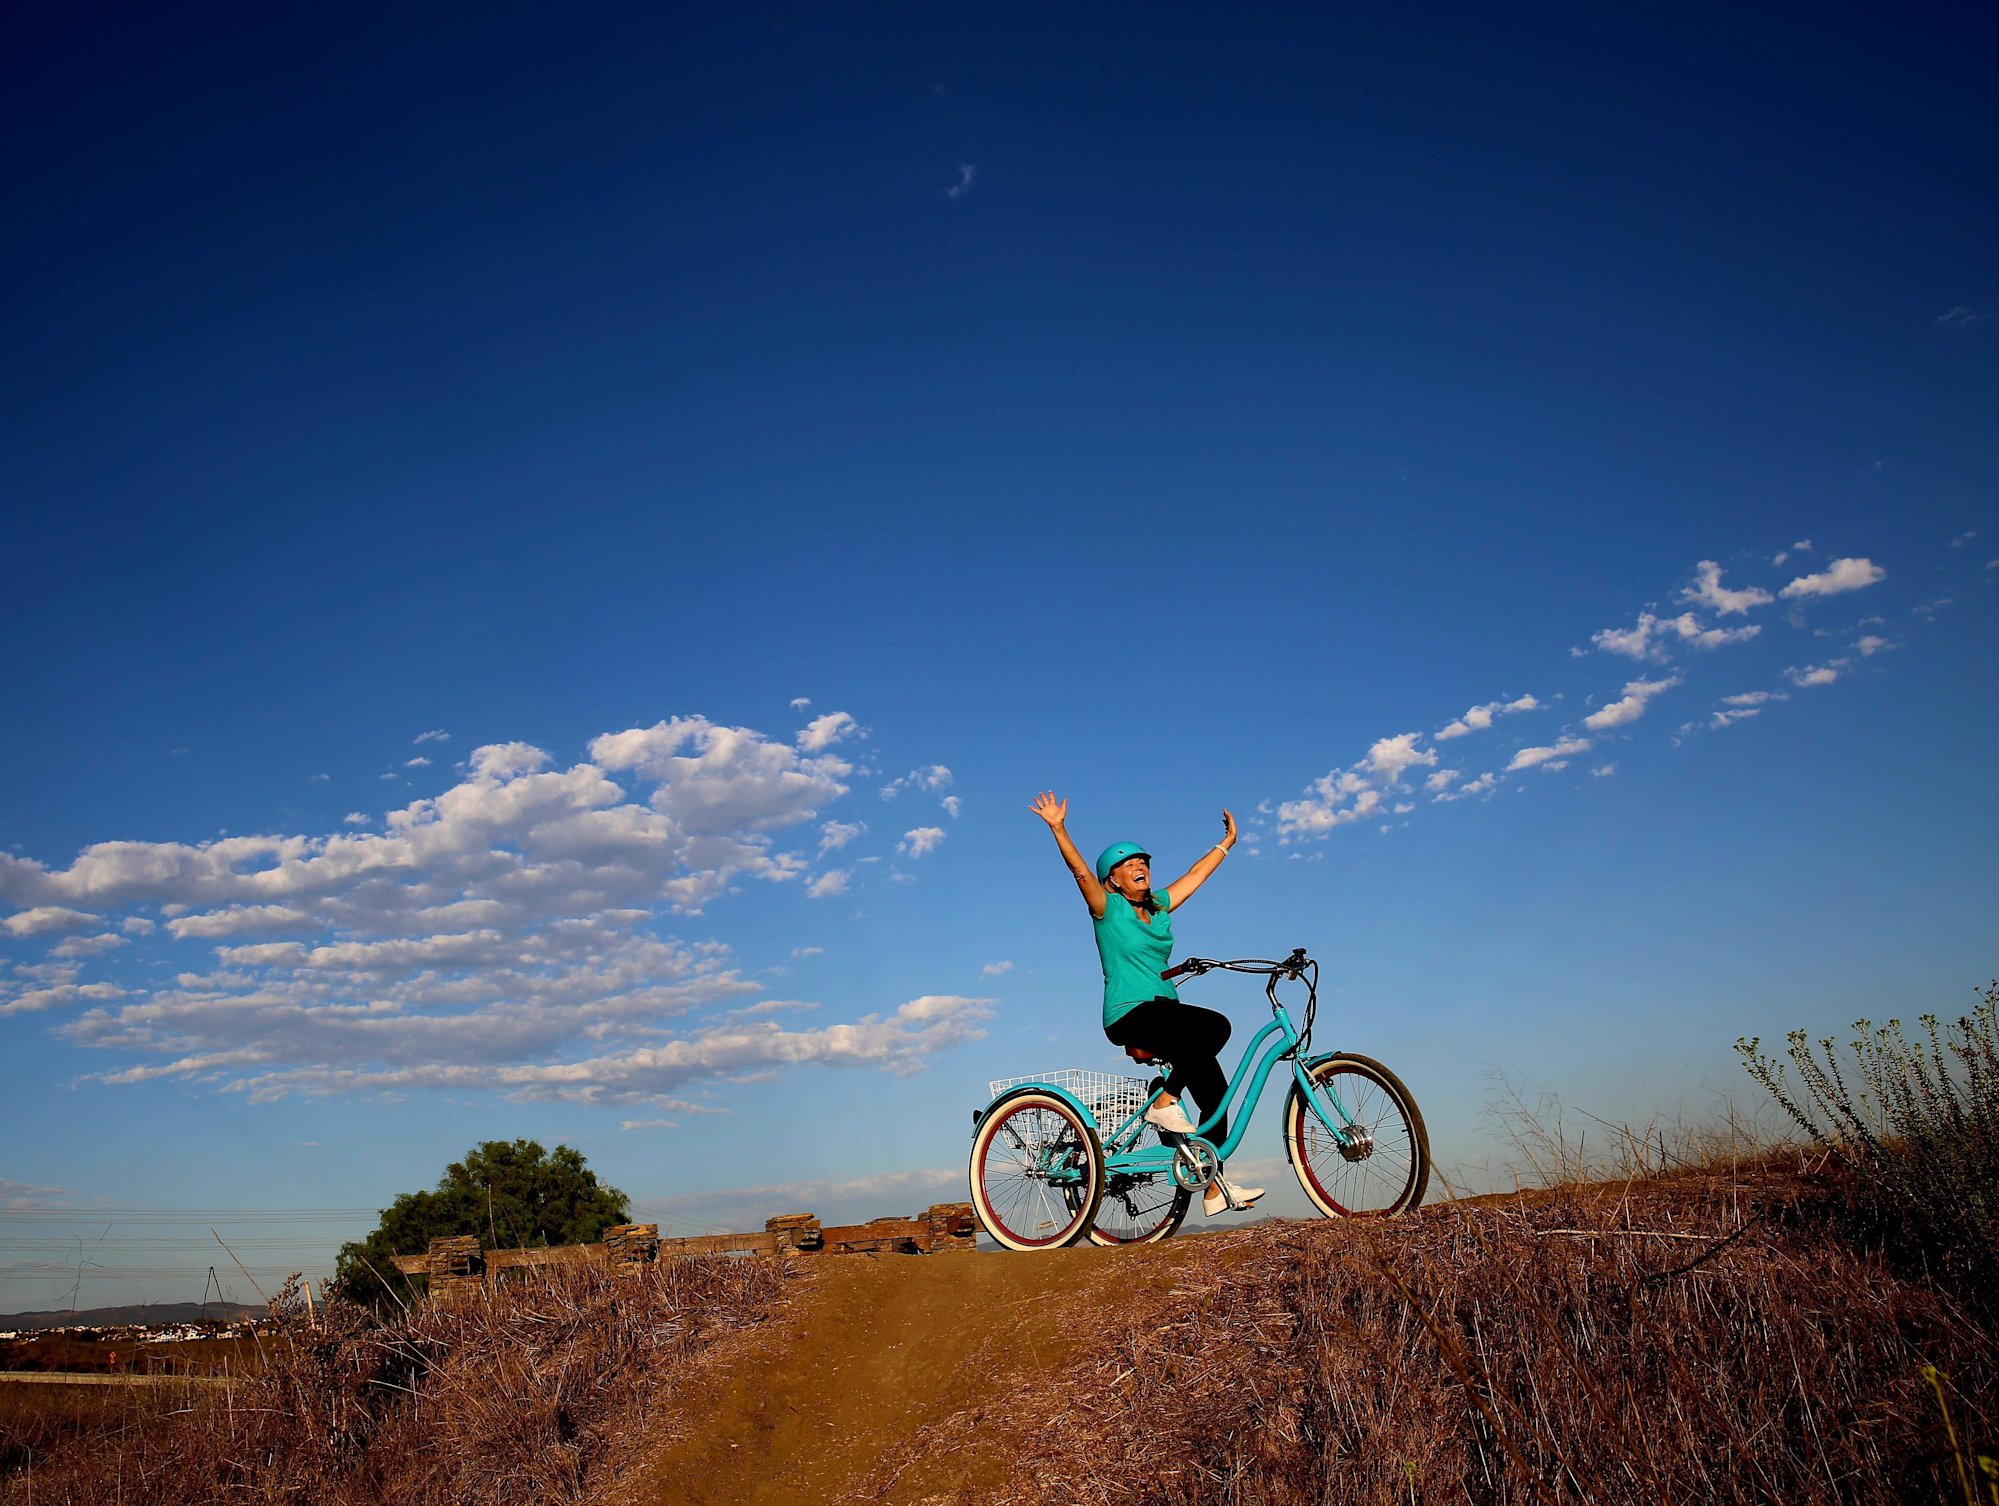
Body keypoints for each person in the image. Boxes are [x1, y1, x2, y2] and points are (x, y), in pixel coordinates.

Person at [1029, 791, 1265, 1217]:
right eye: (1128, 864)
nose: (1140, 866)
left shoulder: (1158, 909)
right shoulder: (1107, 909)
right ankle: (1164, 1103)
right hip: (1129, 1014)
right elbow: (1079, 873)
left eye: (1144, 861)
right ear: (1113, 880)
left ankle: (1212, 1186)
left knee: (1216, 1097)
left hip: (1165, 1013)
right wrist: (1058, 828)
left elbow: (1196, 875)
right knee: (1216, 1027)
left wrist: (1226, 844)